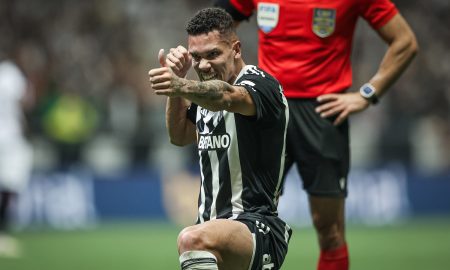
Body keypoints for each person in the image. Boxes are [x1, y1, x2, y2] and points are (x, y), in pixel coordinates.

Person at [214, 0, 418, 269]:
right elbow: (215, 28)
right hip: (267, 109)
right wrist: (238, 80)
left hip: (323, 113)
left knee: (329, 229)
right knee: (241, 222)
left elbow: (405, 42)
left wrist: (367, 94)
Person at [148, 7, 292, 270]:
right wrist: (177, 85)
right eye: (196, 57)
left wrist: (180, 85)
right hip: (213, 230)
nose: (203, 66)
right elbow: (179, 136)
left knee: (191, 239)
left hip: (255, 228)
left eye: (213, 54)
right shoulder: (203, 94)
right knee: (197, 238)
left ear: (236, 49)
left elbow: (225, 97)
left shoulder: (261, 86)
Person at [0, 58, 33, 258]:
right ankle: (2, 231)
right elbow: (25, 101)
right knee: (10, 184)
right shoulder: (10, 72)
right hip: (9, 138)